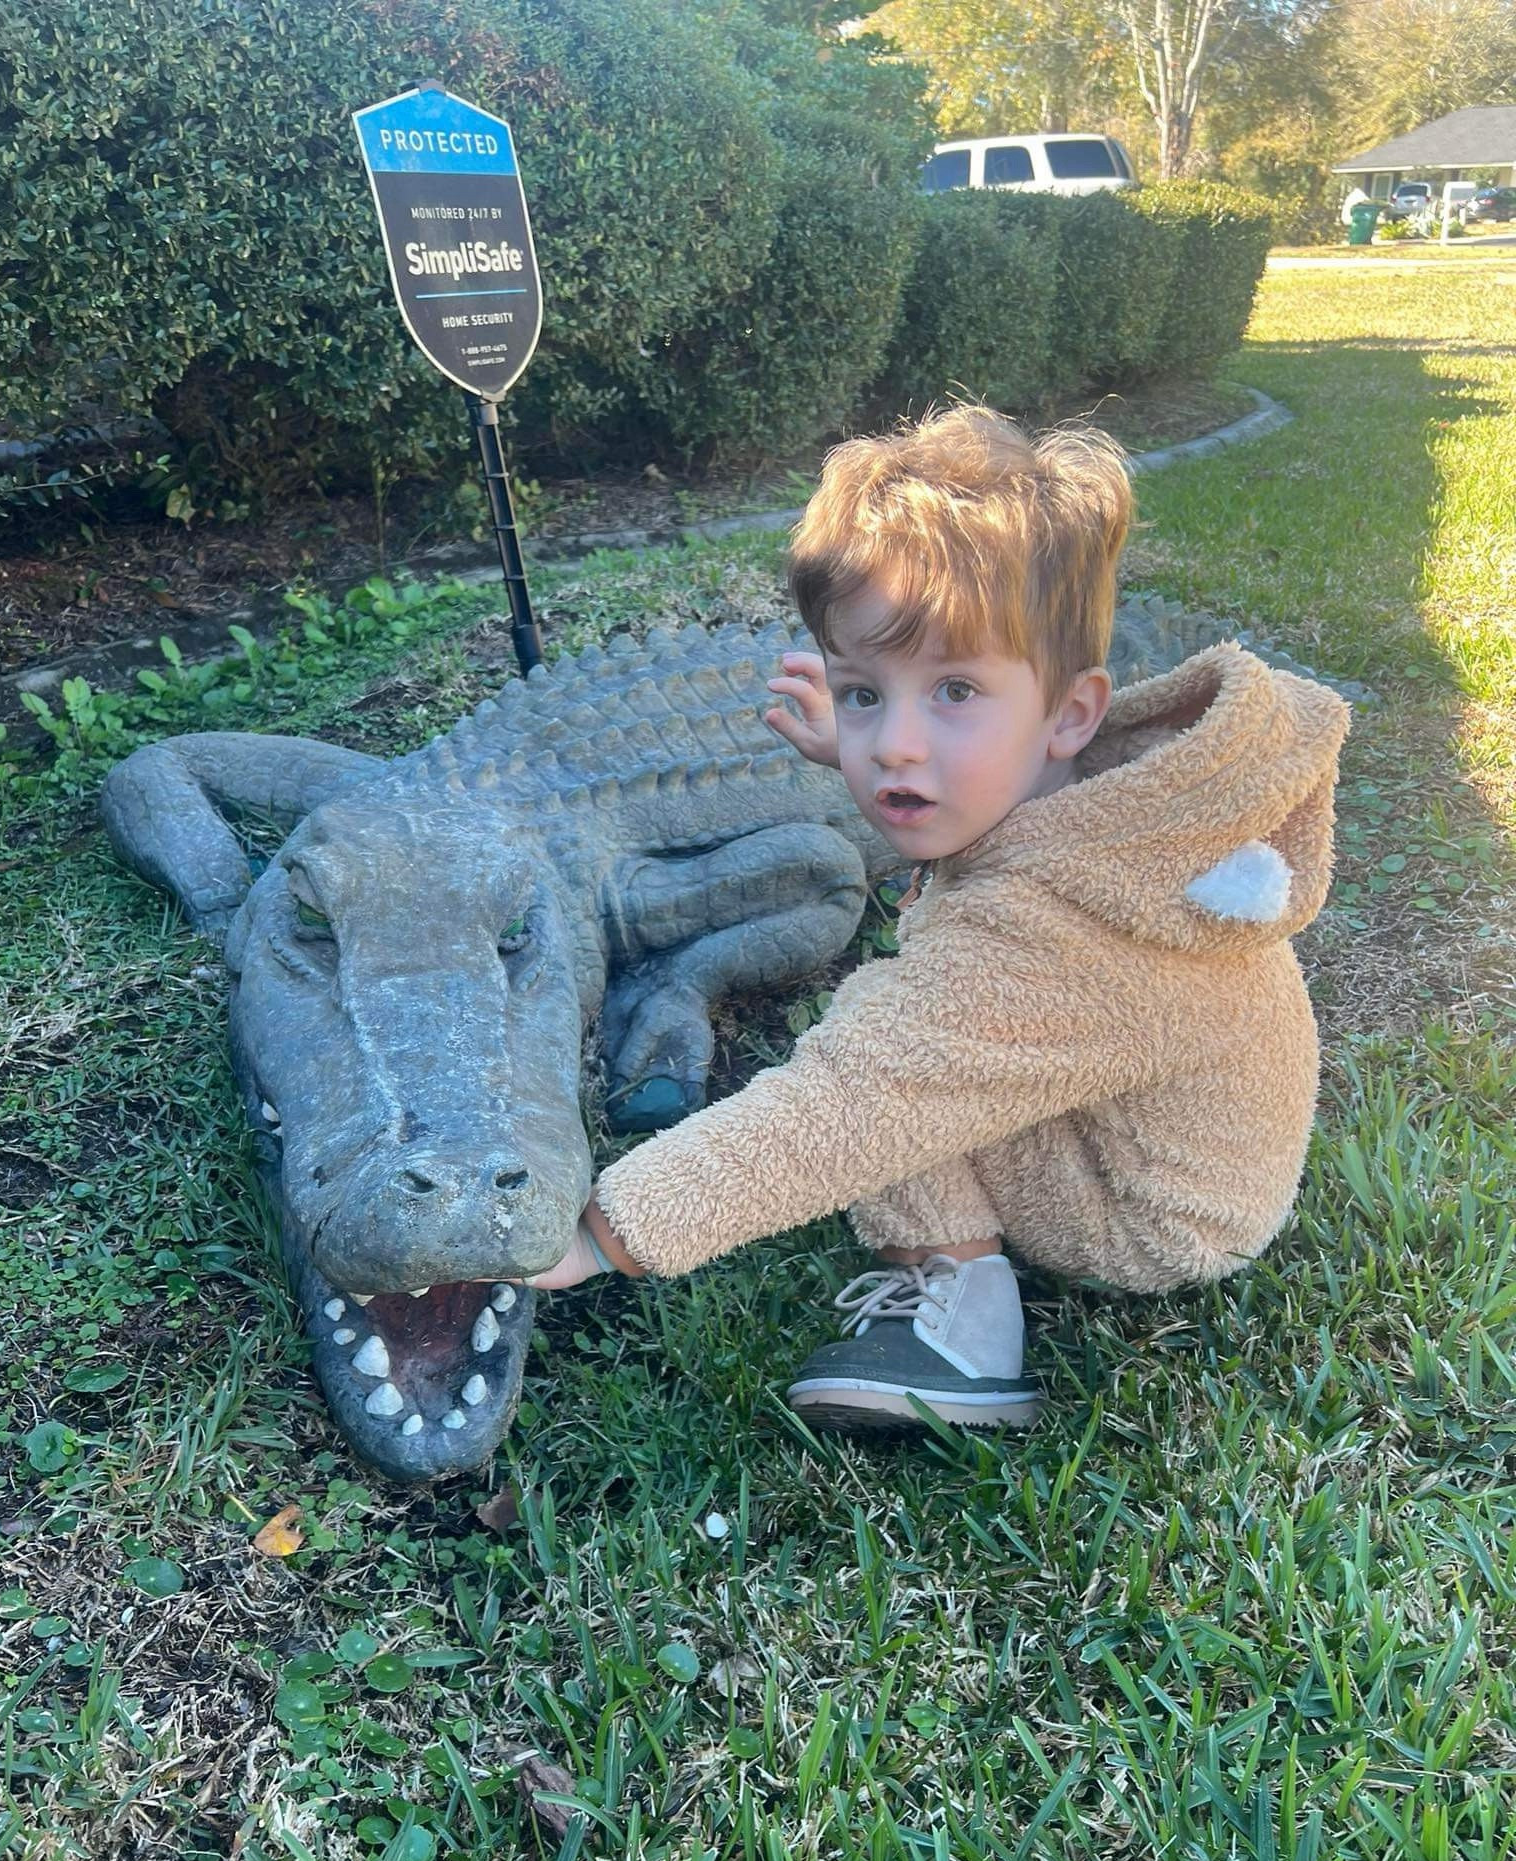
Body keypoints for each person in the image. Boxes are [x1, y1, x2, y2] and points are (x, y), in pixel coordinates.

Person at [516, 403, 1350, 1435]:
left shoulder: (1056, 937)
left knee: (888, 1056)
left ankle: (963, 1323)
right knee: (920, 1030)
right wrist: (856, 741)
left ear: (1071, 711)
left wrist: (603, 1232)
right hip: (1190, 1147)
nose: (895, 746)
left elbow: (854, 1100)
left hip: (1148, 1214)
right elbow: (955, 778)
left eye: (953, 688)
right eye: (865, 692)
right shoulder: (1114, 800)